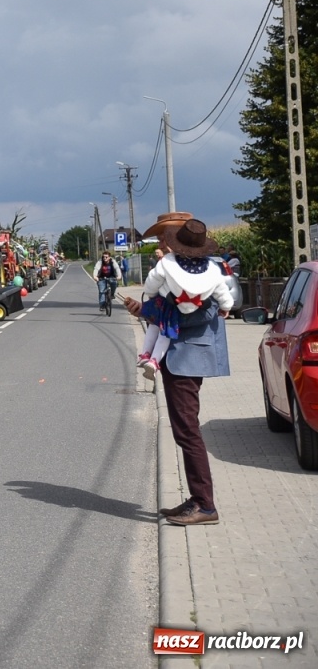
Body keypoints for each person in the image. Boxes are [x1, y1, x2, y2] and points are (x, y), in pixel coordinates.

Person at [124, 216, 234, 526]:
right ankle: (197, 498)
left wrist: (151, 310)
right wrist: (144, 310)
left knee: (187, 429)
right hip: (179, 357)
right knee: (184, 429)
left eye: (163, 239)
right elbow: (166, 313)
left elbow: (203, 315)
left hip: (188, 359)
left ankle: (205, 505)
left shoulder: (206, 275)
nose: (160, 245)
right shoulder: (176, 272)